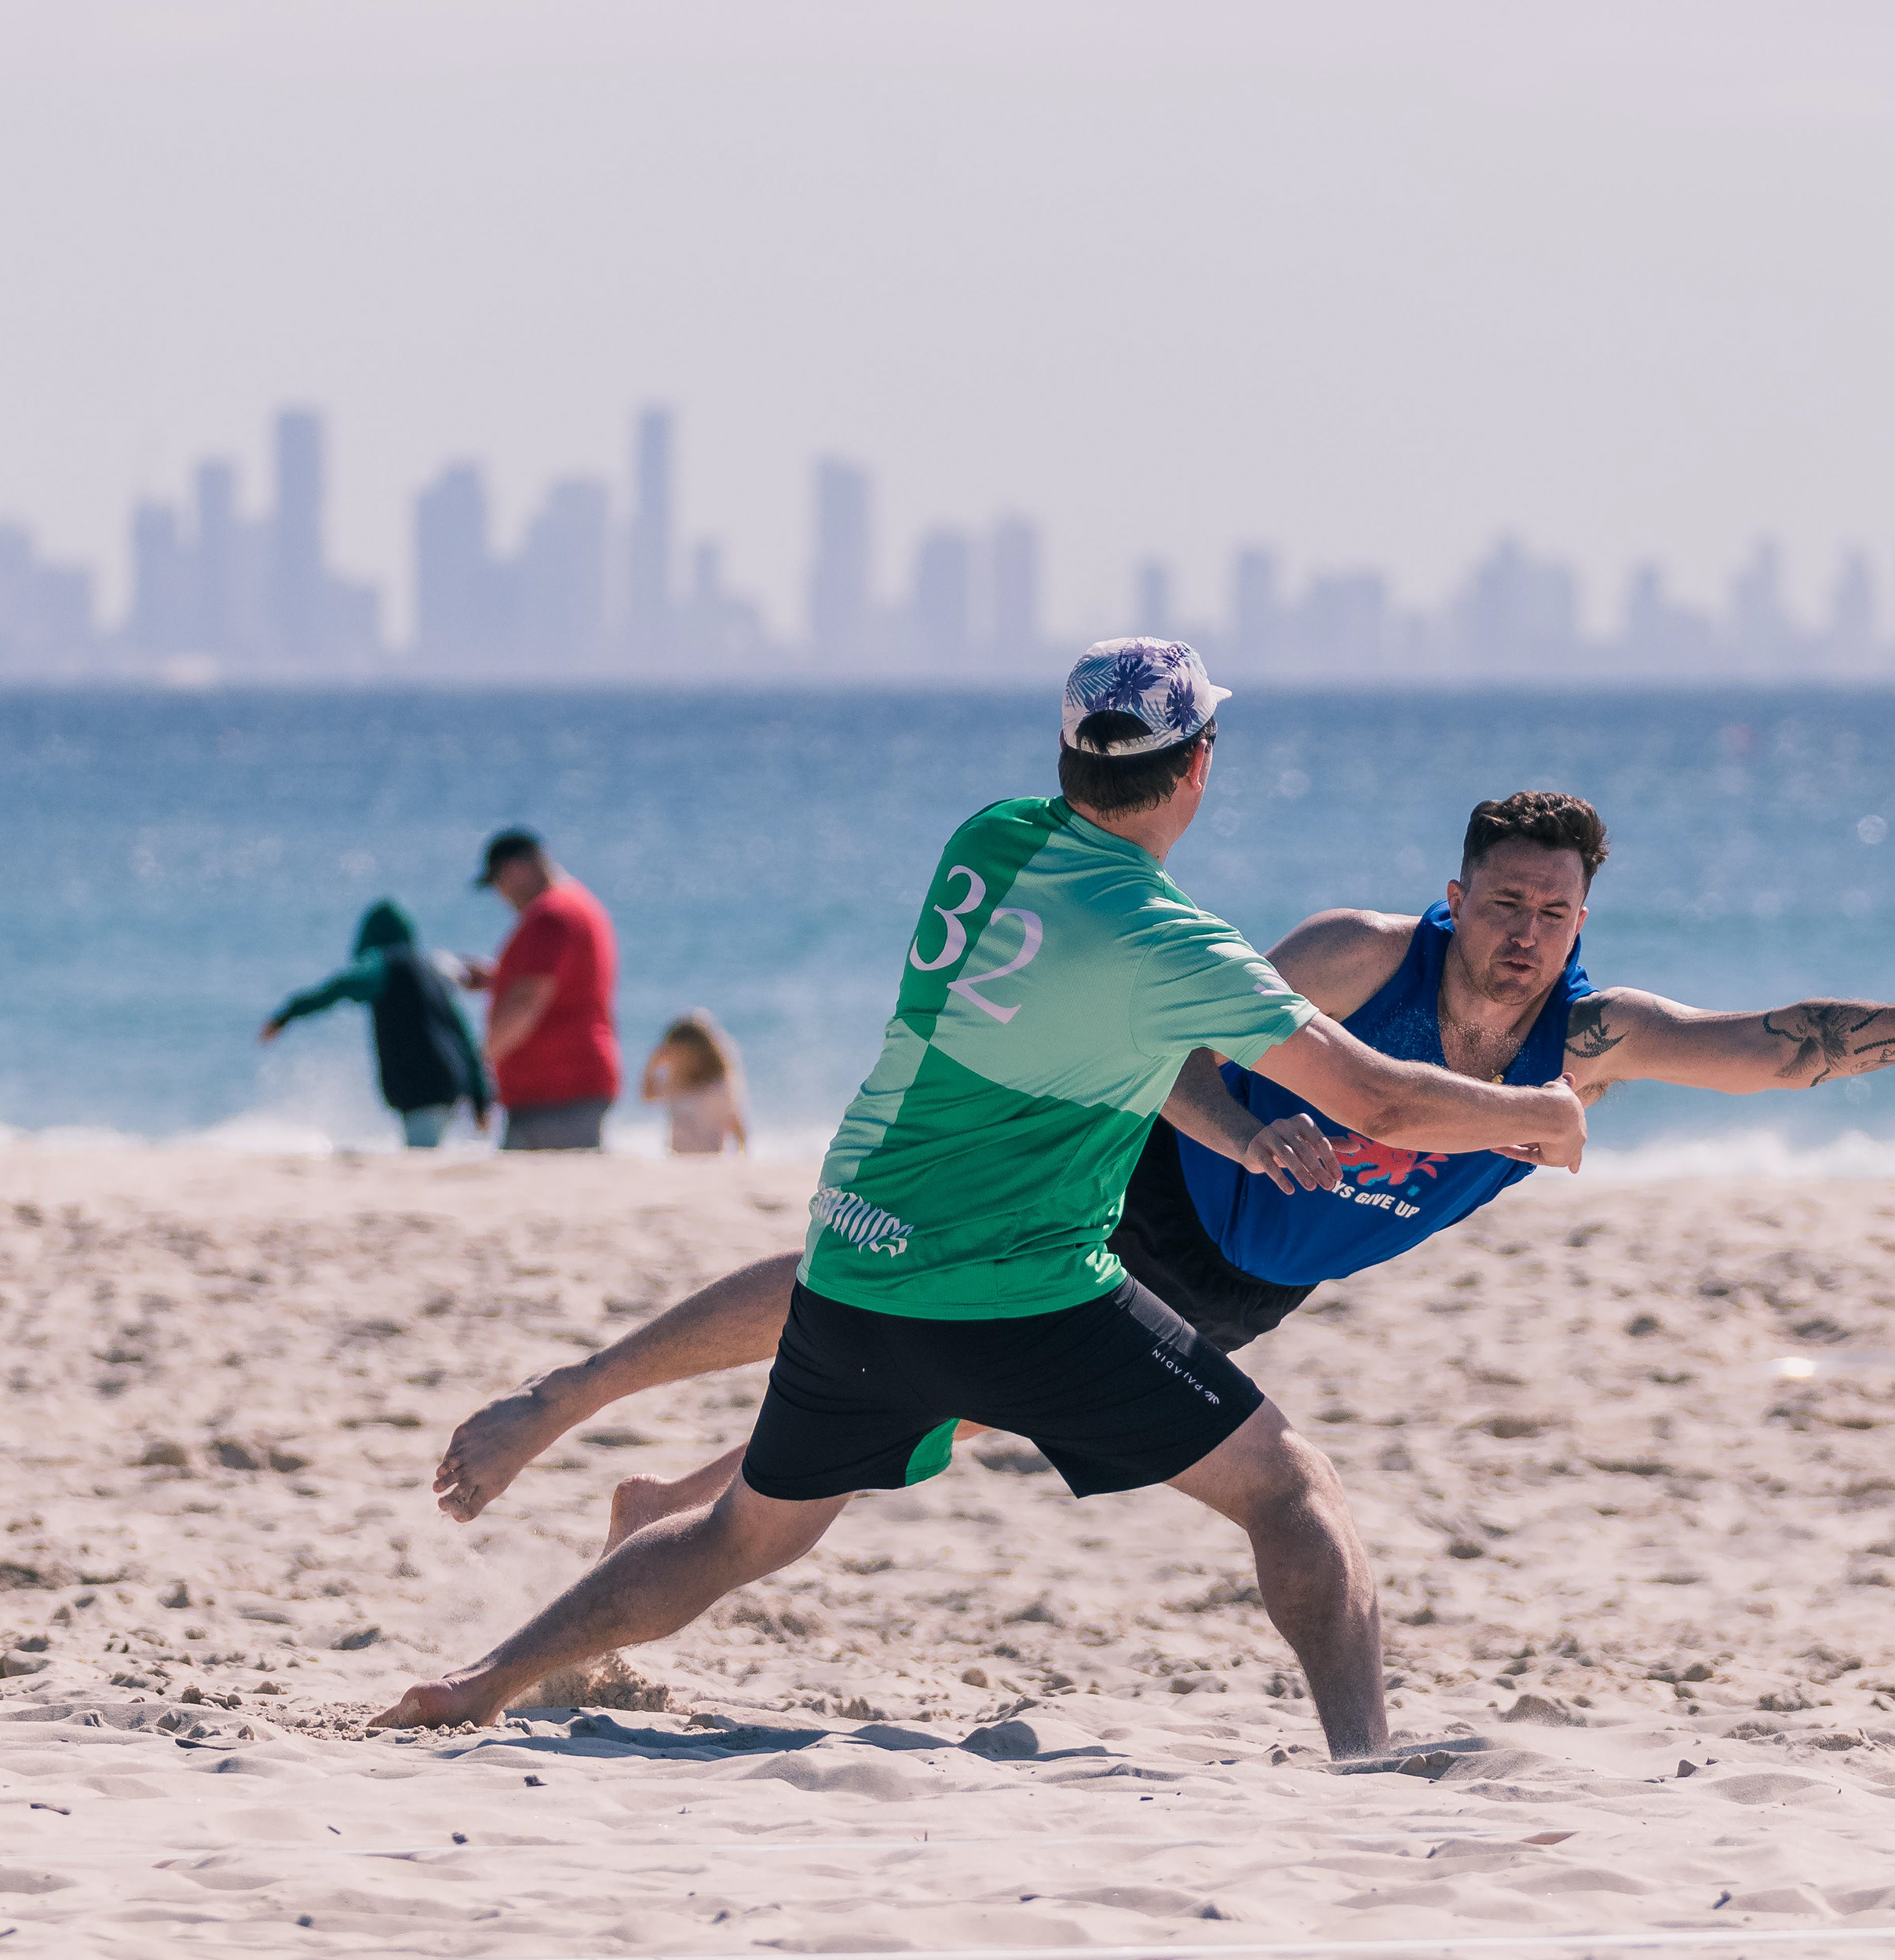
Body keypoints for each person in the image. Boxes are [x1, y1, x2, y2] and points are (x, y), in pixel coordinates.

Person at [375, 640, 1588, 1757]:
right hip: (1034, 1303)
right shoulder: (1174, 944)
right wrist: (1536, 1111)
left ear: (1071, 755)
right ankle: (1364, 1761)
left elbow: (1129, 1050)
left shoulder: (992, 841)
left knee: (738, 1536)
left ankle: (482, 1681)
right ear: (1198, 769)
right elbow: (1376, 1102)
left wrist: (1237, 1126)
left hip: (858, 1265)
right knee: (1290, 1490)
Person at [426, 788, 1895, 1561]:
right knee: (861, 1283)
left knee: (961, 1389)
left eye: (1557, 907)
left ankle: (685, 1497)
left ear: (1585, 919)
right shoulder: (1365, 949)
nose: (1528, 927)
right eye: (1506, 896)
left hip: (1249, 1285)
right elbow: (1184, 1036)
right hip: (1144, 1183)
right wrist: (1249, 1118)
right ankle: (567, 1397)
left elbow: (1780, 1039)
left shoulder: (1587, 1039)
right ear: (1459, 890)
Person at [257, 897, 491, 1147]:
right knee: (432, 1153)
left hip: (423, 1090)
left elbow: (342, 986)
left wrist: (288, 1013)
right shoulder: (430, 970)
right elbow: (461, 1034)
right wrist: (480, 1096)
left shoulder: (385, 962)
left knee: (421, 1164)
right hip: (452, 1086)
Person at [458, 829, 621, 1151]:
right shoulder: (576, 904)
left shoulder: (551, 915)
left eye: (498, 883)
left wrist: (475, 1065)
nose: (501, 895)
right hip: (568, 1086)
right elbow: (561, 985)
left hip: (556, 1088)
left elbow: (526, 1004)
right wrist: (497, 979)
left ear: (515, 869)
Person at [641, 1009, 748, 1155]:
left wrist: (742, 1154)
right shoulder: (675, 1081)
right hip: (677, 1158)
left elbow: (734, 1122)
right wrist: (653, 1063)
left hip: (710, 1159)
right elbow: (647, 1096)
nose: (674, 1058)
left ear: (698, 1054)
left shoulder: (716, 1086)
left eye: (679, 1053)